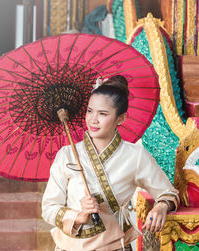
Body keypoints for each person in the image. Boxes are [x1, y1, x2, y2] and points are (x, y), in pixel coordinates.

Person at [42, 75, 179, 251]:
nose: (93, 119)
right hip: (69, 246)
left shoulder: (135, 155)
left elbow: (168, 192)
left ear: (120, 118)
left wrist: (161, 206)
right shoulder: (67, 155)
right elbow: (48, 208)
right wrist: (78, 216)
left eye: (103, 114)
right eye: (90, 111)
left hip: (114, 246)